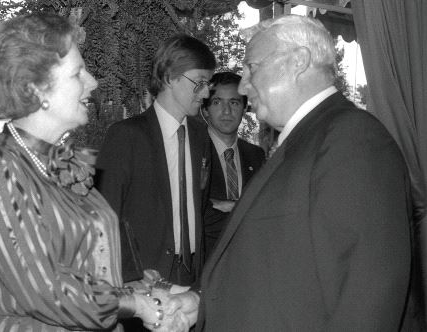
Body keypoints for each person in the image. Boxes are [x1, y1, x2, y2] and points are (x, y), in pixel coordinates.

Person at [169, 14, 414, 331]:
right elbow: (287, 264)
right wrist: (202, 300)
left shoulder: (354, 140)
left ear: (298, 61)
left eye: (251, 68)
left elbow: (367, 297)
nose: (244, 85)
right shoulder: (309, 139)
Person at [0, 13, 188, 332]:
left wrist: (152, 293)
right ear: (37, 88)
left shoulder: (66, 163)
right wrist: (138, 306)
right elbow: (44, 289)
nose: (93, 82)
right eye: (78, 73)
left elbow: (99, 270)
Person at [95, 34, 216, 288]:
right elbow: (104, 215)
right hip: (144, 279)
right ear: (171, 78)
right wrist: (130, 274)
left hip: (193, 276)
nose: (206, 93)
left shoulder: (201, 136)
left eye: (209, 84)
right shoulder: (126, 135)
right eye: (200, 82)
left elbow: (200, 209)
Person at [200, 71, 265, 257]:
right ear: (205, 109)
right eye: (217, 102)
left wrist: (228, 206)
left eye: (234, 103)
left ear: (244, 109)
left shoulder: (256, 155)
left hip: (249, 260)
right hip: (203, 264)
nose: (226, 111)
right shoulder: (193, 151)